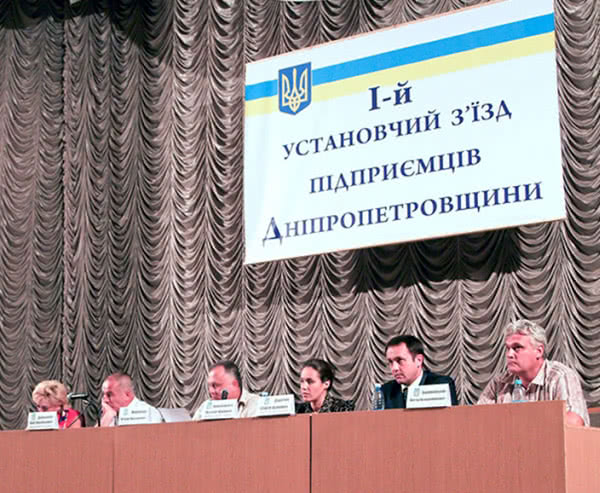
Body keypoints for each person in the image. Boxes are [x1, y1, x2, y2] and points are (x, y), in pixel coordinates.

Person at [477, 319, 589, 426]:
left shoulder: (559, 376)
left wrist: (523, 425)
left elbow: (574, 422)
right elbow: (477, 419)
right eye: (507, 348)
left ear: (539, 351)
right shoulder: (499, 382)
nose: (509, 354)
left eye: (517, 348)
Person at [383, 335, 458, 409]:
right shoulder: (385, 391)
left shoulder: (441, 385)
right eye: (390, 362)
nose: (394, 368)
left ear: (419, 360)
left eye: (400, 360)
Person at [192, 360, 260, 419]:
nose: (211, 391)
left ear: (235, 384)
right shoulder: (205, 407)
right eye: (209, 386)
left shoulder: (256, 404)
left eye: (216, 385)